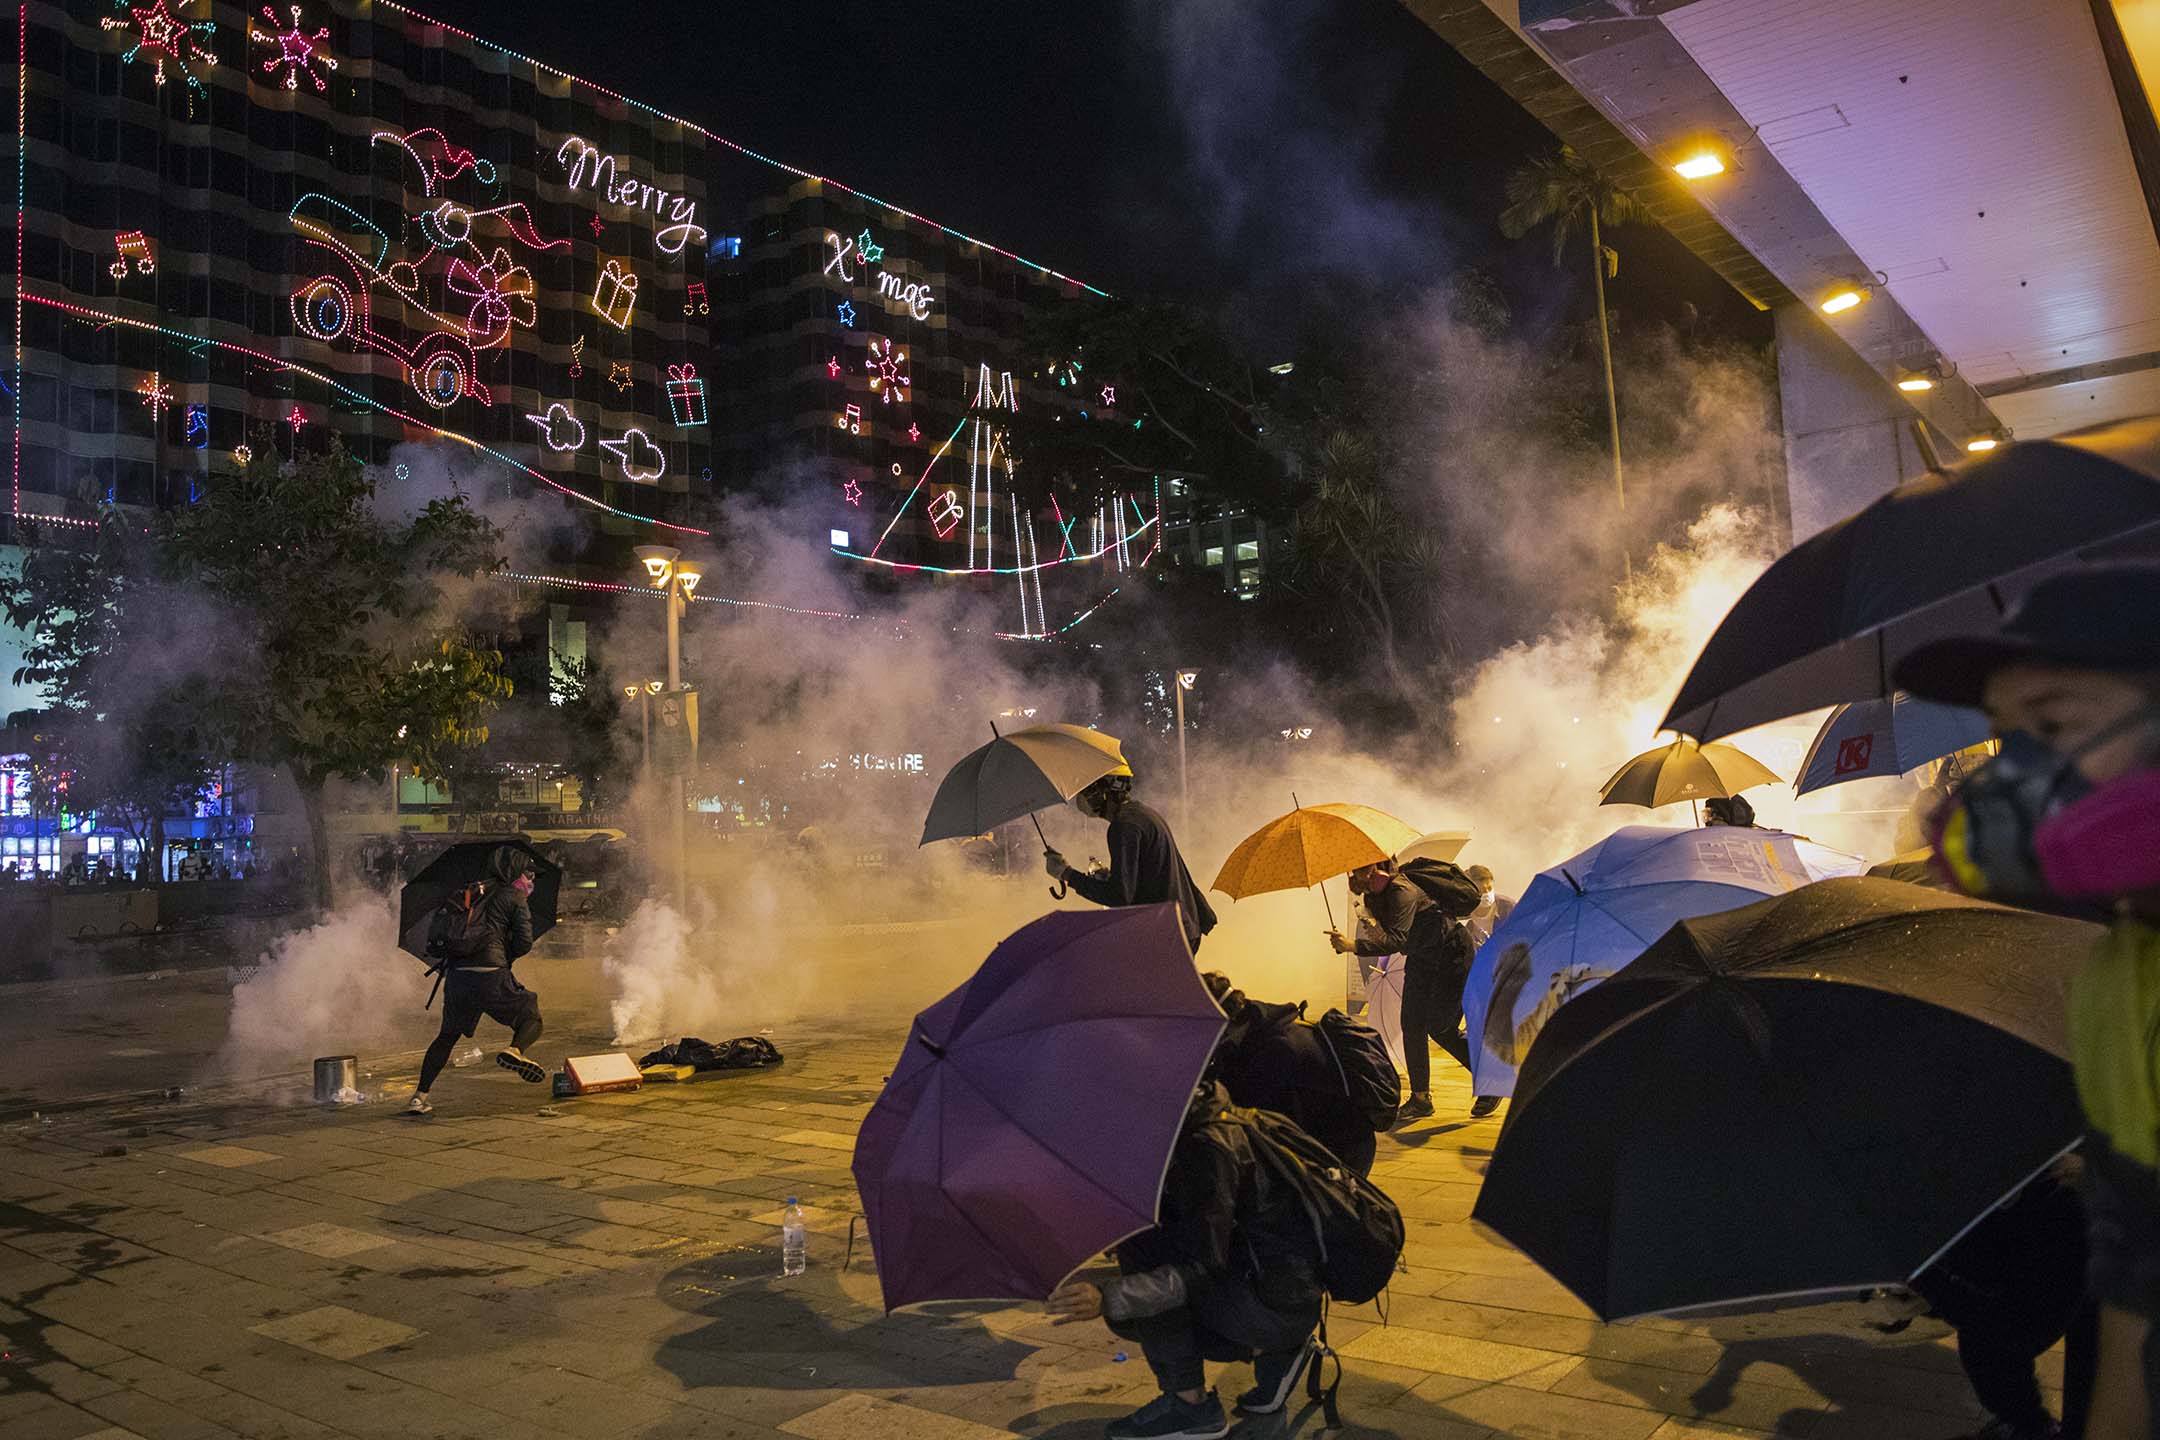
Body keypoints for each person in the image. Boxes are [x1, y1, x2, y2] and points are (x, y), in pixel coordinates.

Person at [1895, 563, 2160, 1438]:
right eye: (2009, 741)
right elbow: (2137, 1283)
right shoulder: (2117, 976)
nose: (2013, 781)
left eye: (2051, 725)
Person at [1046, 1081, 1322, 1439]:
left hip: (1276, 1307)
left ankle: (1191, 1405)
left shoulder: (1207, 1150)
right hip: (1279, 1293)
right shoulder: (1200, 1118)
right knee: (1142, 1259)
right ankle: (1274, 1351)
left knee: (1143, 1272)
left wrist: (1107, 1297)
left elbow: (1198, 1269)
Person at [1907, 1156, 2095, 1440]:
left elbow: (2006, 1321)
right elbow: (1976, 1262)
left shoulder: (2062, 1213)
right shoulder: (1994, 1189)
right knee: (1988, 1350)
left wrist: (1928, 1283)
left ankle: (2033, 1426)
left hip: (2045, 1302)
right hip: (2023, 1296)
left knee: (1990, 1350)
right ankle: (2028, 1422)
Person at [1330, 856, 1494, 1121]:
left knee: (1440, 1026)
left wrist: (1353, 946)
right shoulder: (1374, 896)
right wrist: (1373, 928)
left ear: (1374, 870)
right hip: (1422, 957)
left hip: (1451, 954)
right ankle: (1420, 1099)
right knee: (1412, 1023)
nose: (1353, 877)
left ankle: (1490, 1077)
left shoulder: (1401, 891)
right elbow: (1393, 935)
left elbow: (1396, 940)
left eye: (1358, 871)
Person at [406, 846, 545, 1116]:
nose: (532, 880)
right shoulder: (514, 896)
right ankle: (515, 1050)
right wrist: (505, 954)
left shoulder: (471, 892)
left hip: (459, 977)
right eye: (529, 874)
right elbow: (524, 943)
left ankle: (419, 1096)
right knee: (531, 1014)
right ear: (515, 872)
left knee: (447, 1037)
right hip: (491, 974)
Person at [1201, 972, 1377, 1176]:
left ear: (1220, 1020)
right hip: (1317, 1139)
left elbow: (1246, 1110)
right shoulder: (1252, 1034)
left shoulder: (1277, 1049)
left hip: (1339, 1151)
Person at [1046, 765, 1217, 954]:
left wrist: (1067, 874)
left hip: (1165, 934)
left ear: (1108, 792)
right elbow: (1147, 875)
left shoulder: (1123, 826)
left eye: (1090, 790)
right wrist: (1109, 877)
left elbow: (1119, 896)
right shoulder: (1144, 814)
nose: (1085, 797)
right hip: (1183, 925)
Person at [1463, 863, 1515, 948]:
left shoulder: (1507, 907)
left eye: (1489, 888)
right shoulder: (1469, 927)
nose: (1487, 893)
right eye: (1481, 890)